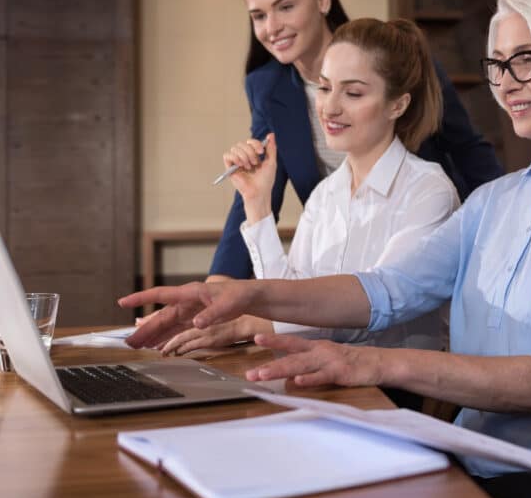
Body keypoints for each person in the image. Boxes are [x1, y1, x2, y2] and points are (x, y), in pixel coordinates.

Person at [121, 0, 531, 498]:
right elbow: (387, 288)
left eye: (525, 61)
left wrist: (376, 364)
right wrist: (240, 295)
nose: (506, 83)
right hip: (467, 457)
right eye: (498, 65)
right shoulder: (495, 199)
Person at [159, 18, 458, 358]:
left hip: (391, 388)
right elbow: (288, 299)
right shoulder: (325, 195)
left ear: (397, 105)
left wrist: (246, 324)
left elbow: (373, 314)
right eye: (325, 87)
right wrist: (257, 204)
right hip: (320, 373)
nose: (329, 108)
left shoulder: (428, 192)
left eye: (353, 93)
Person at [208, 0, 502, 284]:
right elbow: (264, 179)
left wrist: (504, 238)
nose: (272, 27)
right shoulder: (268, 88)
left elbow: (468, 152)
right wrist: (216, 289)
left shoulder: (396, 62)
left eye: (286, 7)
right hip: (338, 255)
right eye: (258, 15)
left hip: (423, 241)